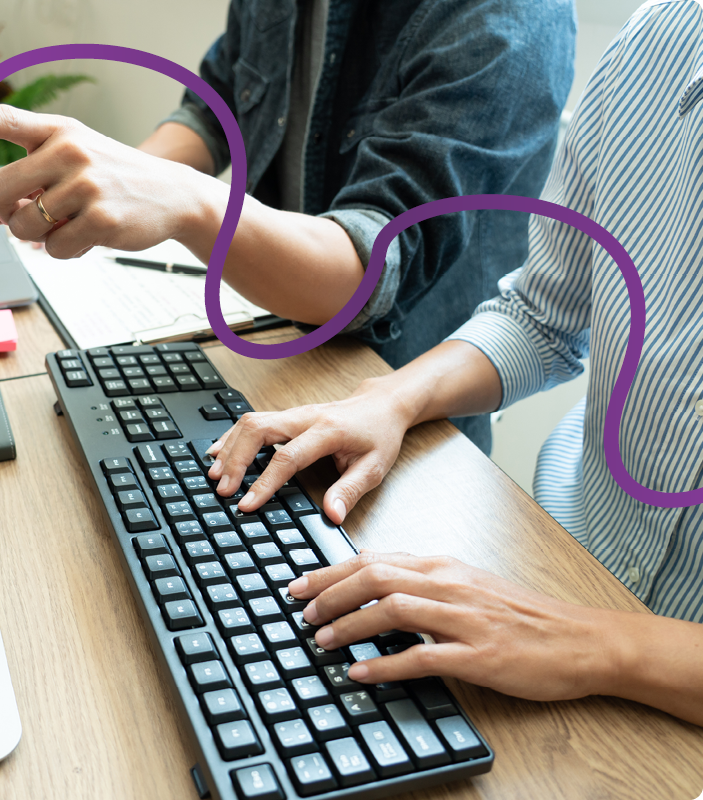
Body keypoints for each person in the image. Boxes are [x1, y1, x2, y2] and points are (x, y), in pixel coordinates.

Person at [202, 0, 703, 725]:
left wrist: (605, 646)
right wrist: (393, 398)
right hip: (565, 568)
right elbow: (542, 318)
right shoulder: (656, 45)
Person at [0, 0, 576, 452]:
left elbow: (367, 272)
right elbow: (216, 108)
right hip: (261, 359)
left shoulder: (507, 17)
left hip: (393, 411)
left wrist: (183, 199)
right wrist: (110, 176)